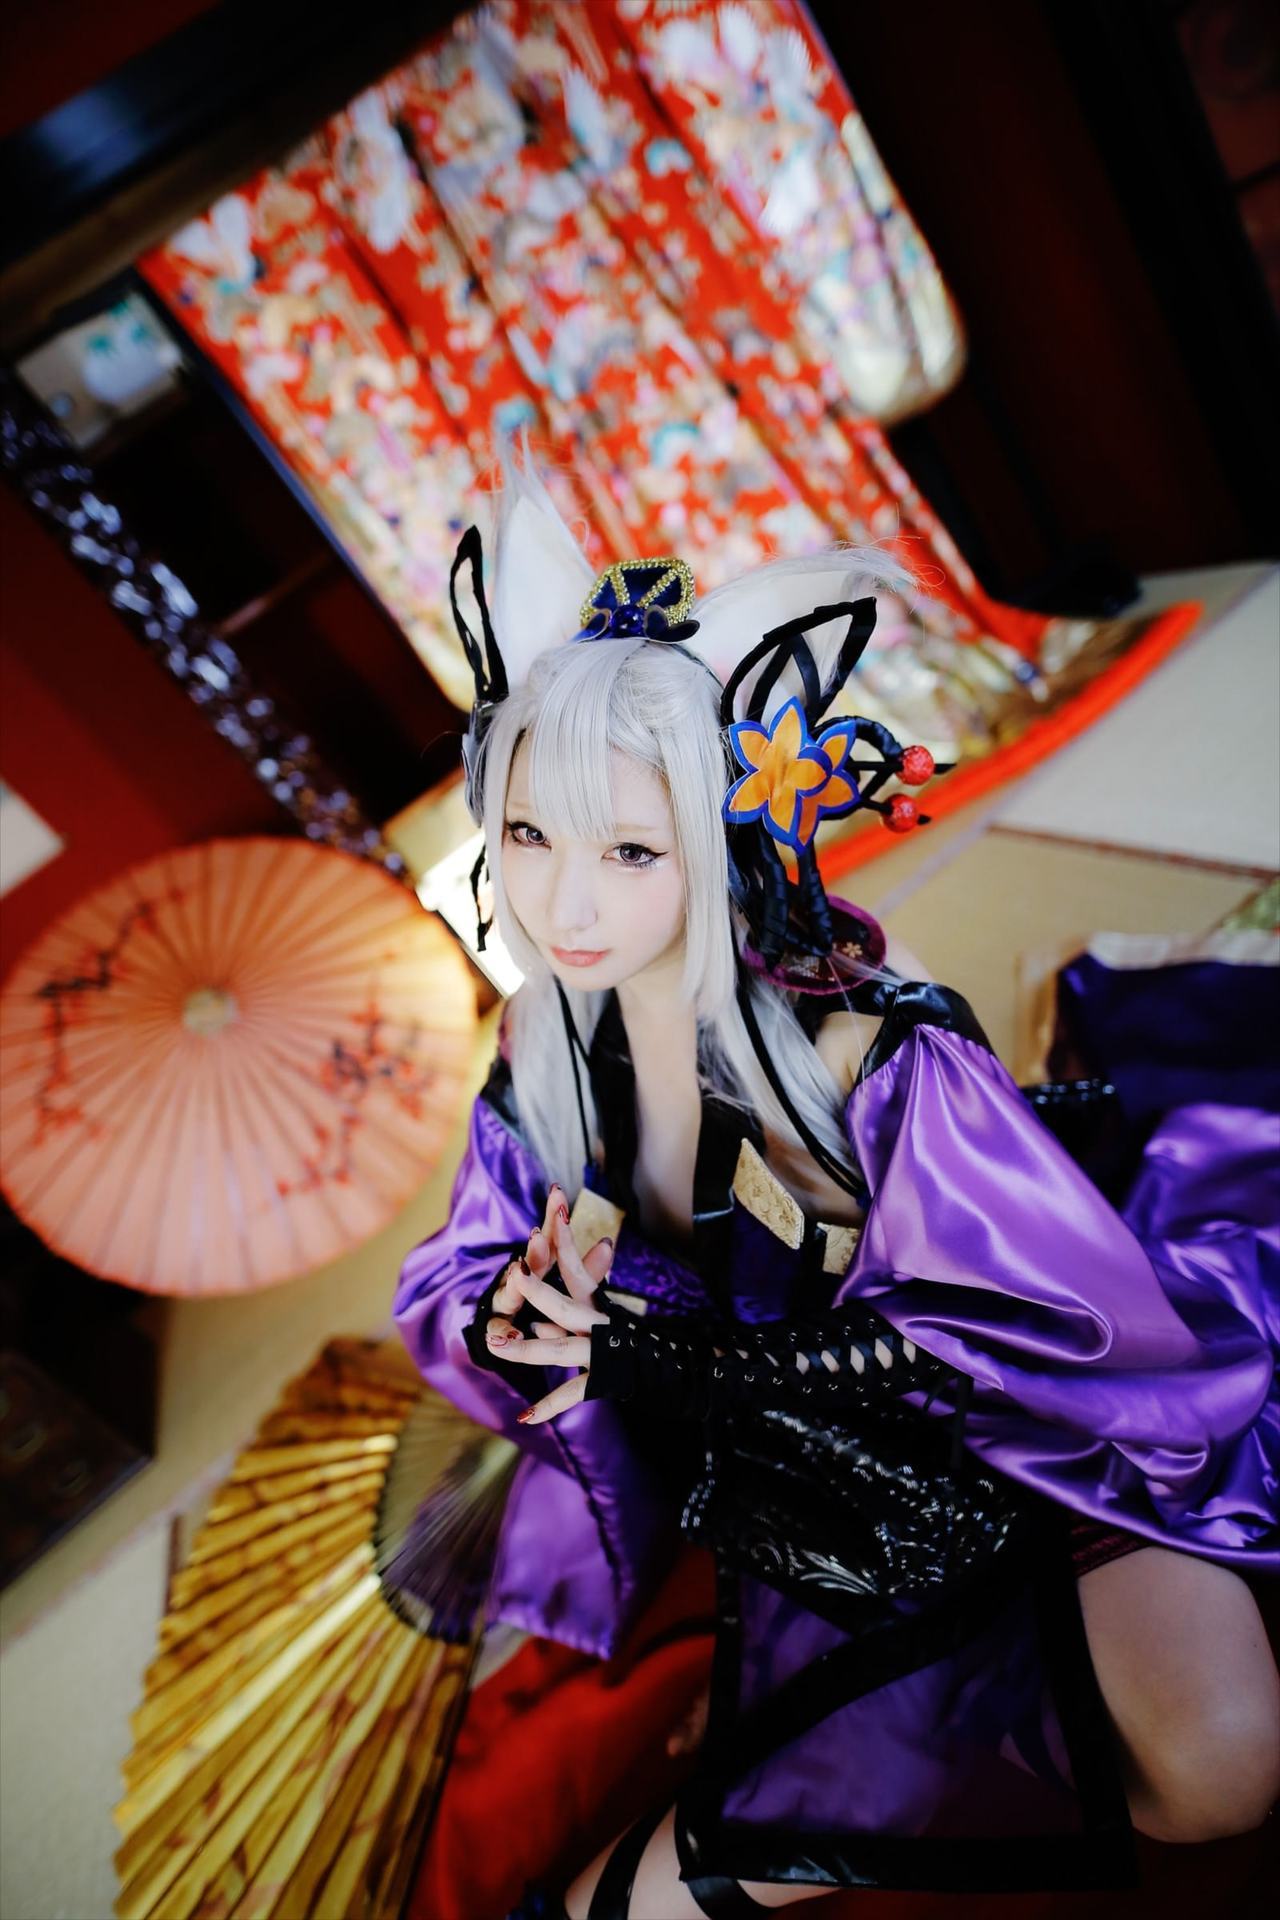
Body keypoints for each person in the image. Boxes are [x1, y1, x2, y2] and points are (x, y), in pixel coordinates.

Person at [393, 446, 1279, 1918]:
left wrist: (667, 1354)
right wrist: (521, 1314)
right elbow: (458, 1273)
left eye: (629, 849)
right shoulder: (544, 1046)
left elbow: (1007, 1329)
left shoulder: (860, 1035)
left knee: (1219, 1775)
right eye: (530, 836)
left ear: (721, 834)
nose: (565, 901)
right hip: (807, 1502)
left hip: (1038, 1439)